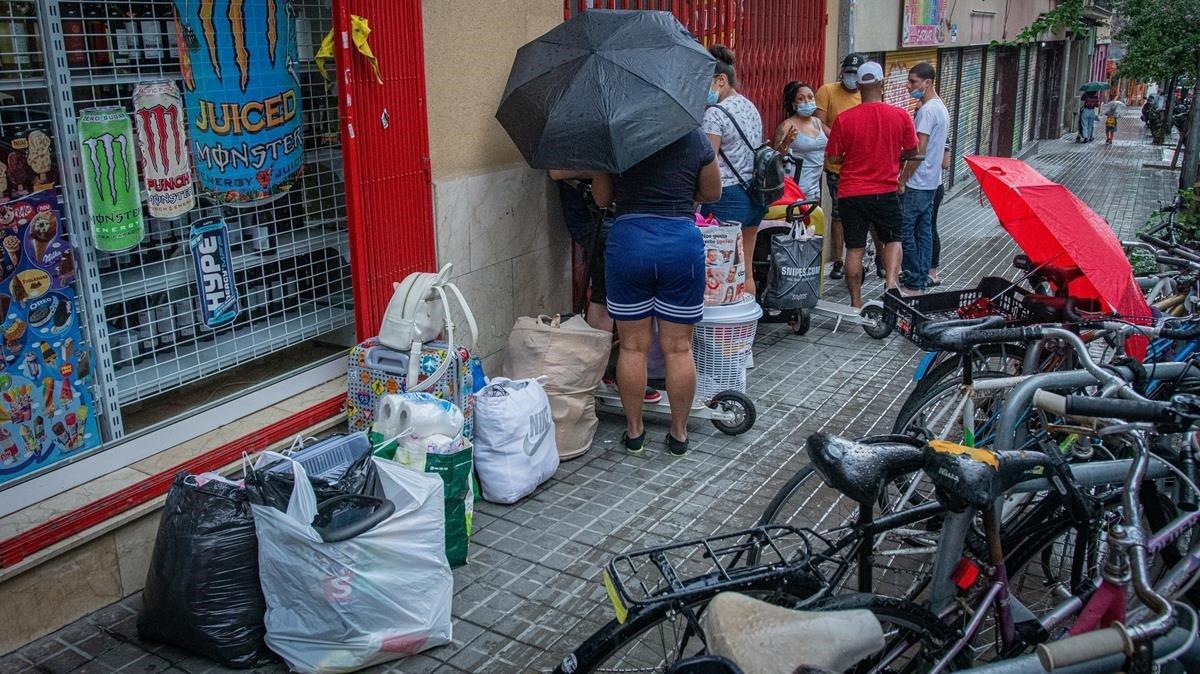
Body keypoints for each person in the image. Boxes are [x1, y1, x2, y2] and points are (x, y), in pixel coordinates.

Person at [590, 127, 722, 457]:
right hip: (680, 243)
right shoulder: (693, 137)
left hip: (629, 242)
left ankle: (635, 432)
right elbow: (713, 192)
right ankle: (678, 434)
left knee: (632, 347)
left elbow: (602, 199)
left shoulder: (616, 136)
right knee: (679, 348)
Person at [824, 61, 918, 308]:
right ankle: (891, 285)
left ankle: (856, 303)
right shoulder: (900, 116)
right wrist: (895, 155)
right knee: (893, 239)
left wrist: (852, 156)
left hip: (851, 193)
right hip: (885, 190)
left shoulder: (844, 120)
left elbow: (833, 158)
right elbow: (912, 150)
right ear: (881, 83)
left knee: (854, 248)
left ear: (859, 86)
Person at [700, 45, 767, 297]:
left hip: (725, 198)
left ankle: (725, 320)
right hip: (753, 196)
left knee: (720, 273)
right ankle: (750, 317)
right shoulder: (749, 106)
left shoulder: (714, 114)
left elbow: (708, 159)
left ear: (721, 80)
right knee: (745, 270)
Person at [898, 62, 949, 294]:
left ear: (927, 82)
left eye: (913, 82)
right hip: (932, 182)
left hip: (918, 182)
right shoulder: (940, 107)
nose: (909, 86)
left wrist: (902, 179)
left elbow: (919, 151)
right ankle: (922, 277)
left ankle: (913, 278)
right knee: (924, 230)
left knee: (906, 231)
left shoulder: (927, 111)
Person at [774, 81, 827, 202]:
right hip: (795, 188)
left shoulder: (817, 122)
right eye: (801, 99)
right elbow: (775, 158)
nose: (807, 102)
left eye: (810, 97)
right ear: (794, 105)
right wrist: (786, 142)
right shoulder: (787, 126)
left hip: (814, 188)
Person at [928, 146, 951, 286]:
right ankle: (930, 272)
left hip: (930, 186)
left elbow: (945, 163)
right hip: (933, 185)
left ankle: (932, 272)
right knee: (928, 227)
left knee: (929, 227)